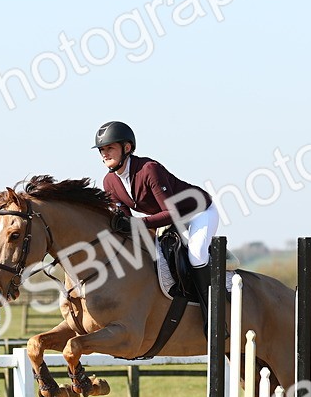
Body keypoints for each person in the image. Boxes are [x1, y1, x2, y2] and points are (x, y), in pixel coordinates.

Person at [93, 120, 220, 313]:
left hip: (198, 211)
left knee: (196, 255)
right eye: (102, 149)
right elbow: (126, 221)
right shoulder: (109, 182)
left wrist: (138, 223)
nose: (104, 153)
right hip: (167, 220)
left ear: (127, 148)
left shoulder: (149, 169)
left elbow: (171, 213)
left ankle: (212, 312)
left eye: (110, 147)